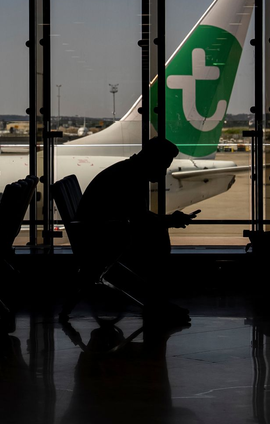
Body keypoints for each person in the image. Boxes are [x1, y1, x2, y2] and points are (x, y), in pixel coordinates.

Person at [75, 137, 199, 320]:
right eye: (163, 165)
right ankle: (157, 303)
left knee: (156, 234)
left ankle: (157, 302)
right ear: (153, 160)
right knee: (157, 240)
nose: (164, 172)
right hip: (100, 239)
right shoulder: (131, 177)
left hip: (95, 234)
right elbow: (140, 219)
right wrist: (169, 220)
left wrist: (167, 220)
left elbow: (137, 216)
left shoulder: (128, 171)